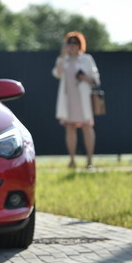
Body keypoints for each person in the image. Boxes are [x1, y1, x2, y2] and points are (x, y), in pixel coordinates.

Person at [51, 32, 101, 169]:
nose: (72, 45)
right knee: (70, 128)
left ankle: (89, 161)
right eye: (70, 42)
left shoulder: (87, 59)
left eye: (75, 43)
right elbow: (57, 73)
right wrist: (63, 56)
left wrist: (85, 78)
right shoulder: (63, 59)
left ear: (80, 45)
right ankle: (72, 160)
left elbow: (96, 80)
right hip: (68, 99)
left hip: (83, 99)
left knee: (87, 127)